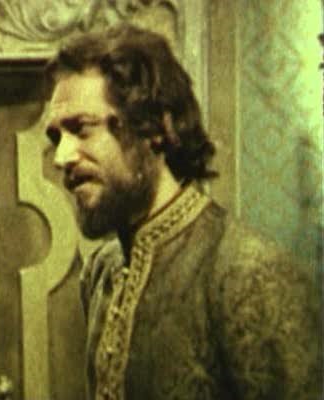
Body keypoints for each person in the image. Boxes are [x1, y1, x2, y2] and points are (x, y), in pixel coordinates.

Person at [44, 24, 322, 400]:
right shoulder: (102, 271)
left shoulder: (249, 274)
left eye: (81, 129)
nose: (61, 157)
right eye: (56, 137)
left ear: (156, 127)